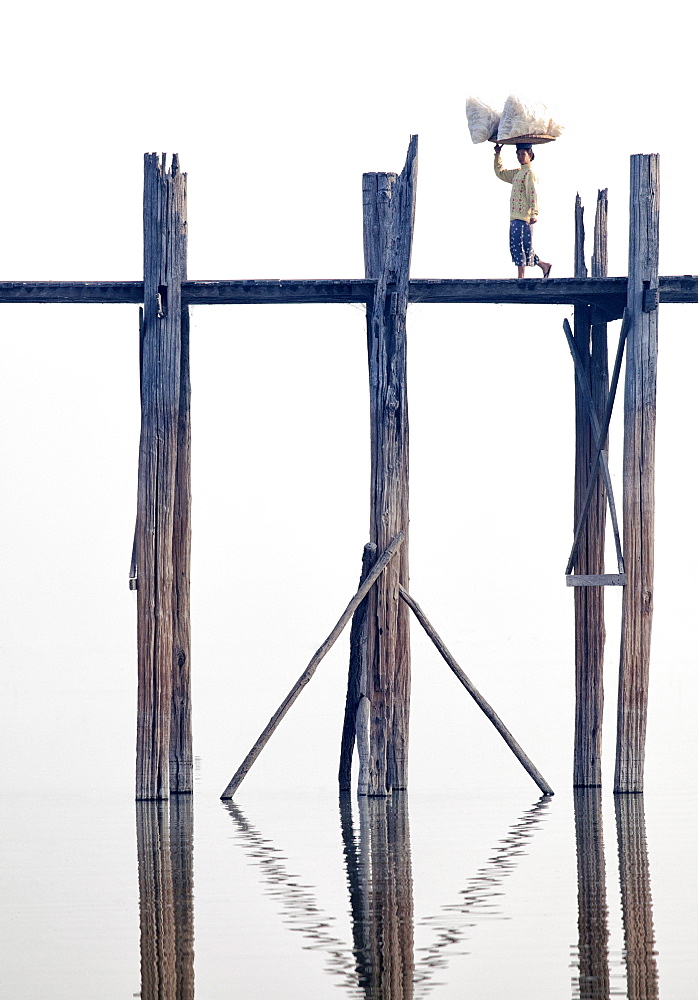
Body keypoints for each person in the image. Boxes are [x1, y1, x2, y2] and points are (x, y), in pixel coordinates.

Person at [494, 142, 552, 279]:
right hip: (514, 216)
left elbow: (532, 193)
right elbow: (500, 173)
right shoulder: (518, 173)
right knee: (520, 246)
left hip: (524, 217)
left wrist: (534, 213)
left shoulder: (529, 173)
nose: (520, 157)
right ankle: (544, 266)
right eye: (518, 154)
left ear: (530, 155)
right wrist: (497, 154)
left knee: (521, 247)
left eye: (523, 154)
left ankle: (521, 277)